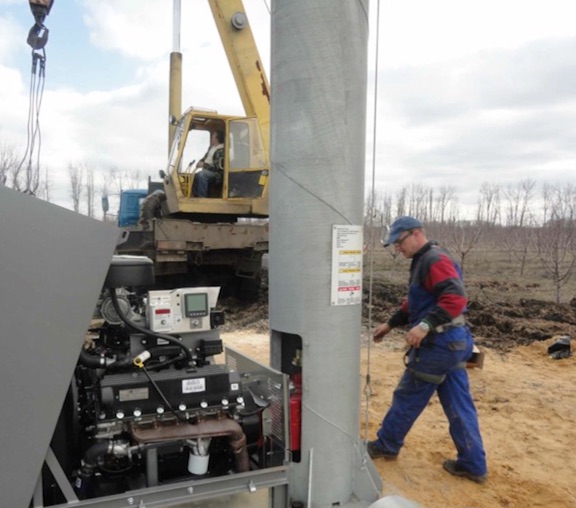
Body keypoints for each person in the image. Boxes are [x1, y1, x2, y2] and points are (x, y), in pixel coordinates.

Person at [367, 216, 488, 484]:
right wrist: (390, 324)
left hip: (439, 345)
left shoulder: (433, 260)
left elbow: (455, 297)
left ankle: (386, 445)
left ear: (415, 234)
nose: (397, 249)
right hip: (455, 342)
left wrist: (424, 326)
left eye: (398, 242)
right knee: (459, 402)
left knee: (408, 395)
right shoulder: (426, 260)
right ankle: (473, 464)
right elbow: (416, 301)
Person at [192, 130, 225, 197]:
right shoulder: (211, 147)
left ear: (217, 139)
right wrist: (200, 161)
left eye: (213, 136)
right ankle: (196, 195)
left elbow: (218, 168)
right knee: (194, 176)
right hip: (207, 170)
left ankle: (202, 197)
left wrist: (204, 165)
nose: (211, 137)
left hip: (216, 173)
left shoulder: (221, 150)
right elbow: (205, 157)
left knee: (201, 175)